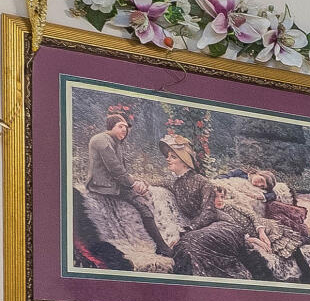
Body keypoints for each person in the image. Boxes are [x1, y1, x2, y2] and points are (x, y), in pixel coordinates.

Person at [163, 135, 275, 281]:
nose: (167, 159)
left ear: (184, 162)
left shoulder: (202, 182)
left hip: (224, 226)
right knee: (183, 247)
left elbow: (209, 213)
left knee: (188, 243)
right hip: (203, 228)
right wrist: (139, 184)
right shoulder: (175, 183)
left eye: (173, 156)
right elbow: (157, 182)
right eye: (168, 156)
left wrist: (186, 230)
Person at [73, 102, 161, 268]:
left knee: (143, 201)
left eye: (126, 128)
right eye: (121, 126)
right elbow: (115, 169)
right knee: (142, 205)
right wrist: (134, 184)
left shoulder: (115, 142)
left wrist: (139, 182)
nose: (124, 130)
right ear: (111, 126)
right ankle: (161, 246)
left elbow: (122, 171)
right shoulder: (101, 140)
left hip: (113, 185)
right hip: (102, 186)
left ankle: (161, 246)